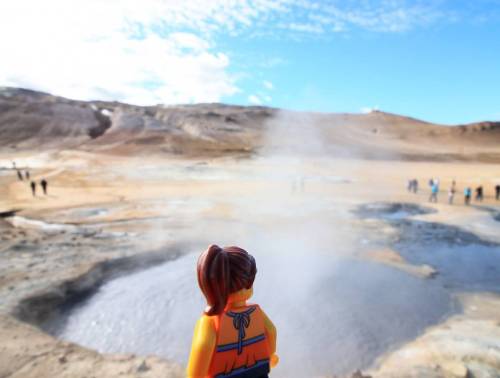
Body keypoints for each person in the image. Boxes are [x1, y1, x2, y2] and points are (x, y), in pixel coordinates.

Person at [187, 245, 278, 378]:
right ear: (250, 283)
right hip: (258, 372)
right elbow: (271, 331)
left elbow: (202, 349)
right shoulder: (257, 313)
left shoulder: (209, 323)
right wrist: (270, 356)